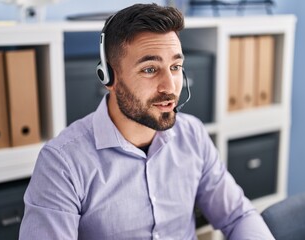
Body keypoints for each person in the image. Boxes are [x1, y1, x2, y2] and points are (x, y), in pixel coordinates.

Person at [19, 3, 274, 240]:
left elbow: (238, 216)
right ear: (108, 77)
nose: (169, 86)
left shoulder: (192, 134)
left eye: (175, 67)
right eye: (150, 69)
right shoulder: (62, 164)